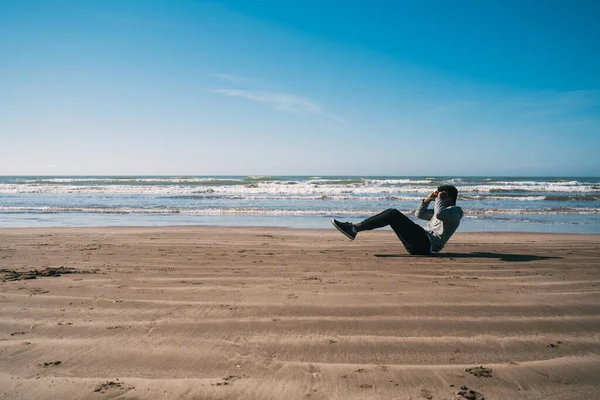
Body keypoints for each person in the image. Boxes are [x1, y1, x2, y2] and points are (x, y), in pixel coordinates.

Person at [331, 185, 463, 255]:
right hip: (418, 244)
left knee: (393, 214)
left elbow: (440, 214)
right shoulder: (443, 212)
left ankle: (354, 229)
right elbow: (419, 214)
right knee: (391, 215)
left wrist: (439, 199)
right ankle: (354, 229)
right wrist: (428, 200)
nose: (438, 198)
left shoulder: (456, 212)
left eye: (442, 196)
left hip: (427, 244)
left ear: (449, 197)